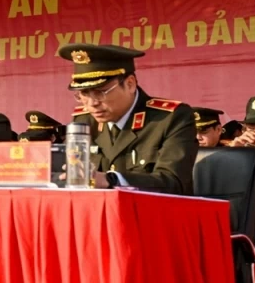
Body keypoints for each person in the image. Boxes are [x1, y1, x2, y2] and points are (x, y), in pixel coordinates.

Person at [60, 43, 195, 194]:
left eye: (100, 92)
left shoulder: (169, 119)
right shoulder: (83, 121)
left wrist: (110, 180)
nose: (92, 104)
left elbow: (173, 182)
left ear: (130, 84)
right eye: (84, 94)